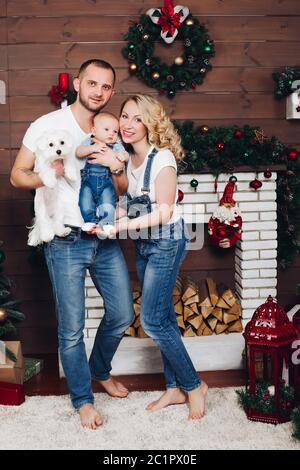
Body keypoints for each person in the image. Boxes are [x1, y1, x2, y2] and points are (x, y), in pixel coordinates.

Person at [10, 59, 134, 430]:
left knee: (123, 313)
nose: (98, 91)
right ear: (77, 84)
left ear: (112, 91)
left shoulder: (112, 127)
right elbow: (18, 175)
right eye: (92, 83)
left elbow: (122, 188)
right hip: (64, 239)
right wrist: (48, 177)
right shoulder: (47, 125)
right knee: (71, 328)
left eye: (106, 87)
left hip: (103, 237)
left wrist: (116, 167)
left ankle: (99, 369)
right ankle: (83, 399)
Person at [97, 94, 208, 420]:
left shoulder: (163, 160)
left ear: (150, 123)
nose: (128, 125)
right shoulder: (127, 159)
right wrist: (110, 219)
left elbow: (163, 211)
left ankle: (193, 385)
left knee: (152, 320)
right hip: (145, 245)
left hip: (167, 242)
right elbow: (128, 202)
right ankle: (173, 389)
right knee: (165, 316)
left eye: (137, 118)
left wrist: (124, 225)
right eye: (125, 117)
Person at [76, 112, 129, 234]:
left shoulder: (116, 146)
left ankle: (107, 222)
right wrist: (92, 149)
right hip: (88, 181)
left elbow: (126, 155)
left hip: (106, 181)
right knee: (85, 200)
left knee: (108, 201)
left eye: (115, 131)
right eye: (106, 129)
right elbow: (78, 152)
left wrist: (122, 156)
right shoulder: (90, 142)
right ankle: (89, 220)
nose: (111, 133)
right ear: (94, 131)